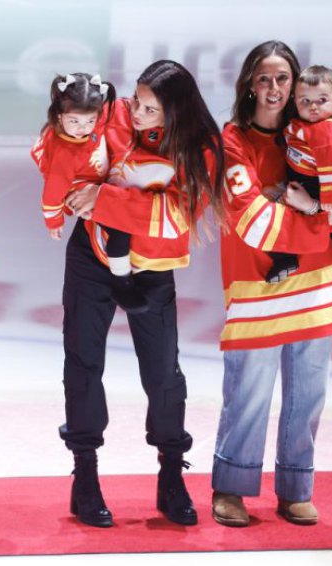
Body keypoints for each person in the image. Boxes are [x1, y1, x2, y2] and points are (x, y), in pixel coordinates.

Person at [62, 60, 225, 527]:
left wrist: (106, 200)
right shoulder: (115, 112)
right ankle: (85, 476)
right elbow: (67, 151)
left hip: (153, 267)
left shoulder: (200, 150)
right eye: (136, 101)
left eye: (151, 109)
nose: (136, 113)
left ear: (175, 112)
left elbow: (177, 217)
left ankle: (171, 476)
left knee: (163, 375)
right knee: (83, 363)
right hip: (91, 256)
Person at [212, 41, 332, 528]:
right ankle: (232, 486)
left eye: (283, 79)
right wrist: (324, 221)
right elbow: (252, 221)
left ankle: (296, 485)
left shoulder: (319, 130)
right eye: (263, 78)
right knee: (248, 394)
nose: (274, 89)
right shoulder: (232, 140)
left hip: (318, 286)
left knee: (308, 395)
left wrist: (329, 209)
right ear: (248, 84)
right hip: (256, 287)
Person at [30, 73, 147, 314]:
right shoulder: (65, 153)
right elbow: (53, 191)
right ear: (59, 116)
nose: (82, 128)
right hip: (79, 189)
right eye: (74, 122)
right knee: (120, 226)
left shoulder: (90, 122)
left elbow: (101, 116)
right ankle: (121, 281)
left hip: (100, 183)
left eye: (89, 121)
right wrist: (54, 220)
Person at [265, 64, 332, 282]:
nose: (313, 107)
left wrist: (327, 199)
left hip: (318, 183)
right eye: (305, 101)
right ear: (295, 101)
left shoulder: (327, 132)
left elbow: (330, 168)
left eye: (322, 100)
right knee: (329, 227)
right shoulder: (305, 124)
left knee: (282, 220)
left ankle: (287, 259)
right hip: (302, 176)